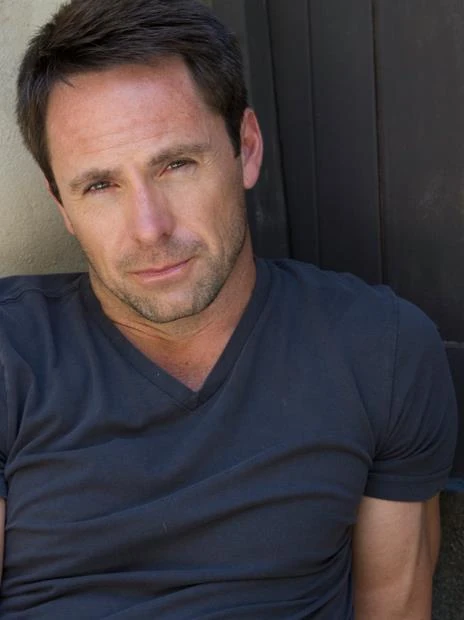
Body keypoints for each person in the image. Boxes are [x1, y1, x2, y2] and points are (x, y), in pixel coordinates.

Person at [0, 0, 456, 617]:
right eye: (100, 185)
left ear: (247, 146)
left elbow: (395, 607)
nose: (149, 228)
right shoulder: (11, 353)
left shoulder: (383, 349)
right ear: (61, 204)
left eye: (176, 164)